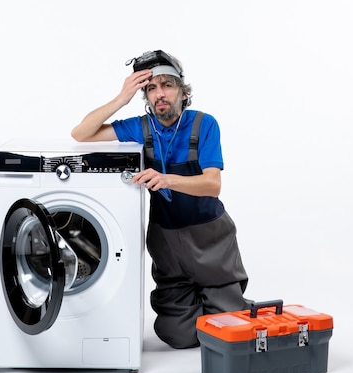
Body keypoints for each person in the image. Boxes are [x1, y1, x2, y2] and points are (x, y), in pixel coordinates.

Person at [71, 50, 250, 349]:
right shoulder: (140, 128)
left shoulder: (204, 125)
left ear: (183, 91)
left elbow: (212, 184)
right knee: (177, 336)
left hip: (211, 238)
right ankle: (202, 305)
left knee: (230, 329)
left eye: (167, 85)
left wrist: (167, 179)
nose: (159, 94)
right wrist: (120, 98)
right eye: (151, 88)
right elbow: (81, 134)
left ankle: (224, 300)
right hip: (166, 239)